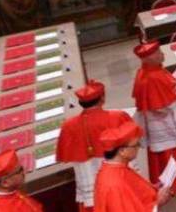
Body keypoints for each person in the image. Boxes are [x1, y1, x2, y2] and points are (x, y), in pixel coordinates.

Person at [57, 80, 133, 212]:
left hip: (89, 183)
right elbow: (133, 144)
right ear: (102, 98)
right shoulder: (117, 117)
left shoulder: (68, 126)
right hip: (117, 178)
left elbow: (64, 157)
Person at [131, 40, 176, 192]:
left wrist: (175, 84)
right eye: (158, 53)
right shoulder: (150, 77)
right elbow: (161, 106)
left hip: (165, 122)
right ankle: (174, 183)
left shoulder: (153, 70)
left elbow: (166, 86)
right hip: (163, 123)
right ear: (148, 58)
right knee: (169, 153)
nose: (162, 54)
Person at [94, 121, 174, 211]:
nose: (138, 148)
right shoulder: (115, 184)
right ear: (122, 151)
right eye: (135, 145)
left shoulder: (116, 168)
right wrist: (158, 202)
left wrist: (154, 188)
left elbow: (134, 192)